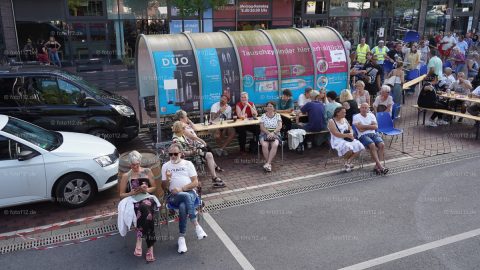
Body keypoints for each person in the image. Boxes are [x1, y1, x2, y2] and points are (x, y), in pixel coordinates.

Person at [161, 144, 208, 254]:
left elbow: (195, 182)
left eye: (175, 154)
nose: (173, 156)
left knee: (183, 206)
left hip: (190, 193)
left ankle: (181, 238)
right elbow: (163, 188)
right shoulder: (165, 166)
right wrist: (167, 179)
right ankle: (196, 225)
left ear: (181, 154)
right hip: (173, 197)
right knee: (184, 198)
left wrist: (182, 188)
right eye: (170, 154)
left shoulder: (188, 164)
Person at [118, 150, 160, 262]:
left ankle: (139, 238)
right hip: (134, 200)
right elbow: (121, 194)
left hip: (147, 198)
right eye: (133, 164)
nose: (135, 166)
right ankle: (150, 248)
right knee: (147, 214)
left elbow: (154, 187)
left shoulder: (147, 171)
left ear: (140, 162)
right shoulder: (126, 175)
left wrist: (146, 189)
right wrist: (131, 193)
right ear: (129, 164)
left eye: (137, 164)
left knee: (145, 208)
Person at [171, 121, 226, 188]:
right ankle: (214, 178)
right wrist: (193, 151)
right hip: (188, 156)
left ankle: (214, 177)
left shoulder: (181, 135)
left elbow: (188, 144)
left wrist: (195, 147)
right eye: (184, 128)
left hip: (193, 152)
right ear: (180, 129)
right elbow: (182, 153)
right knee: (208, 154)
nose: (185, 129)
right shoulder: (176, 140)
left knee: (209, 154)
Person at [353, 103, 389, 175]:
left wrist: (364, 127)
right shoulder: (356, 117)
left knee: (382, 144)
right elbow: (360, 129)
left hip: (373, 134)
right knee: (372, 144)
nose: (364, 109)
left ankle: (376, 166)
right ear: (360, 109)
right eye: (362, 107)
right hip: (362, 136)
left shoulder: (371, 115)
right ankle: (381, 167)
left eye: (365, 108)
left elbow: (376, 127)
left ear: (368, 109)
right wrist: (370, 126)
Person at [327, 107, 365, 172]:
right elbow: (335, 133)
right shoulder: (331, 121)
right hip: (337, 139)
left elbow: (350, 128)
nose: (345, 114)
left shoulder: (344, 119)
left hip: (347, 138)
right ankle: (347, 163)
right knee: (349, 148)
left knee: (359, 146)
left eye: (345, 112)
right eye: (343, 112)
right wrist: (347, 135)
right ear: (338, 113)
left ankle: (347, 162)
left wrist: (351, 134)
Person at [259, 101, 282, 172]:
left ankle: (268, 163)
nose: (269, 107)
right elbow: (262, 127)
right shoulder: (263, 115)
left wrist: (273, 133)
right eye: (268, 106)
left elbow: (280, 126)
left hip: (275, 133)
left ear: (274, 108)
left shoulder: (277, 115)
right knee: (264, 145)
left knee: (275, 144)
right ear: (266, 108)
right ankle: (269, 164)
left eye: (271, 106)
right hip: (264, 133)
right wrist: (269, 133)